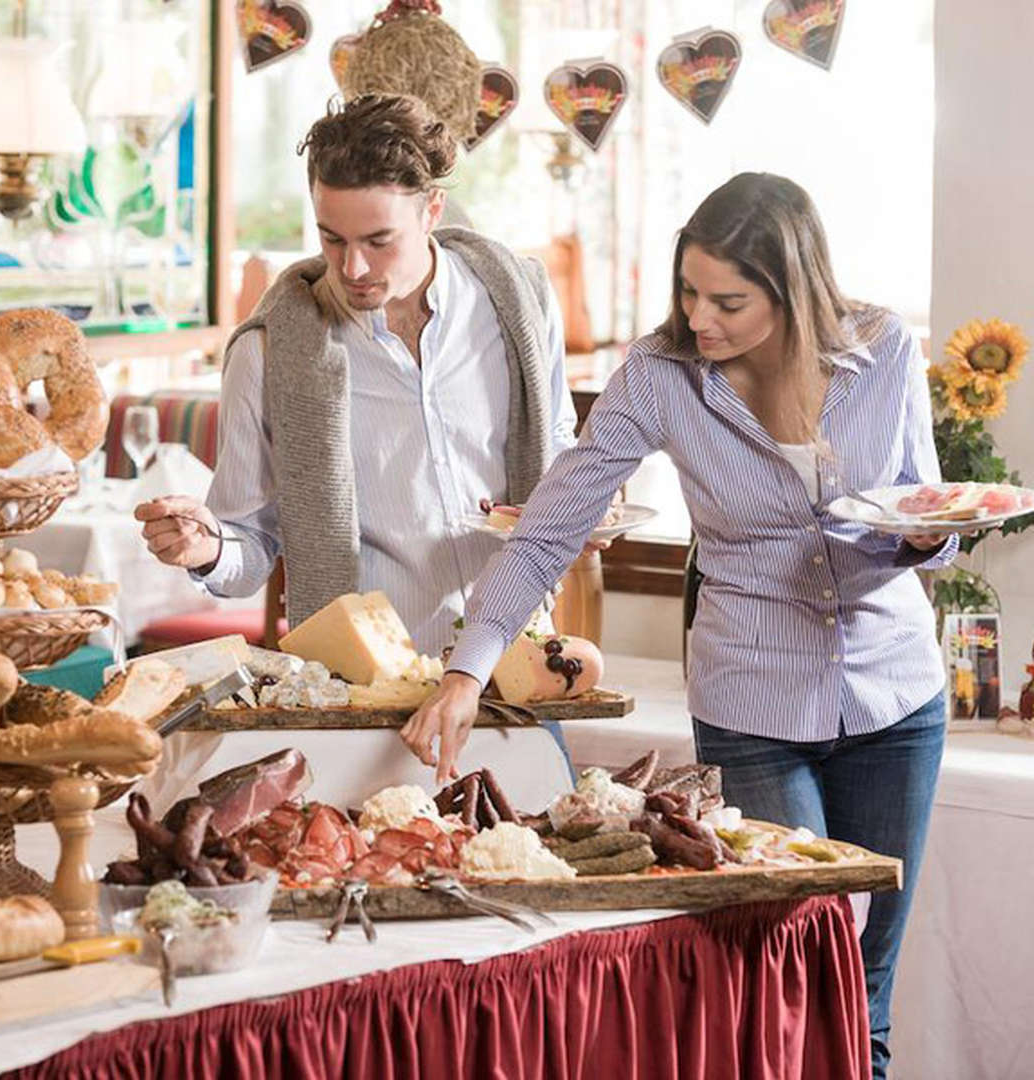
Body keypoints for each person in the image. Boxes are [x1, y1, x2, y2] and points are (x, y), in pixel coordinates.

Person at [403, 172, 956, 1078]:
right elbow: (548, 533)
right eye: (689, 292)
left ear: (795, 285)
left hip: (897, 698)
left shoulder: (886, 349)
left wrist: (929, 539)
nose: (702, 317)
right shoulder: (659, 381)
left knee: (866, 984)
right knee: (791, 974)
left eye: (729, 300)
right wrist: (467, 671)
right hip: (753, 710)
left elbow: (920, 503)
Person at [133, 93, 584, 806]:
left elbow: (558, 449)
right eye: (330, 239)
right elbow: (248, 546)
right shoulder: (271, 352)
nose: (352, 267)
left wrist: (583, 505)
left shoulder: (517, 304)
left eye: (379, 241)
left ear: (432, 210)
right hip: (362, 700)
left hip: (516, 671)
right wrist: (207, 549)